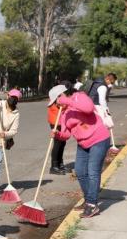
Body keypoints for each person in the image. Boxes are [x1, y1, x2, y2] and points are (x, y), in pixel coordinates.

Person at [54, 90, 111, 219]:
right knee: (80, 171)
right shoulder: (64, 114)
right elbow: (66, 135)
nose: (56, 104)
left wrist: (67, 101)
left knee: (93, 172)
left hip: (99, 139)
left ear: (63, 96)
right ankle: (88, 199)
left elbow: (88, 108)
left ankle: (92, 204)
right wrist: (57, 135)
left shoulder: (79, 97)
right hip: (83, 143)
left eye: (57, 100)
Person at [47, 83, 74, 175]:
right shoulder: (56, 98)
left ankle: (60, 163)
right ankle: (54, 166)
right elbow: (62, 106)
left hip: (61, 122)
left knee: (62, 143)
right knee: (58, 144)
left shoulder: (61, 96)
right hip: (56, 122)